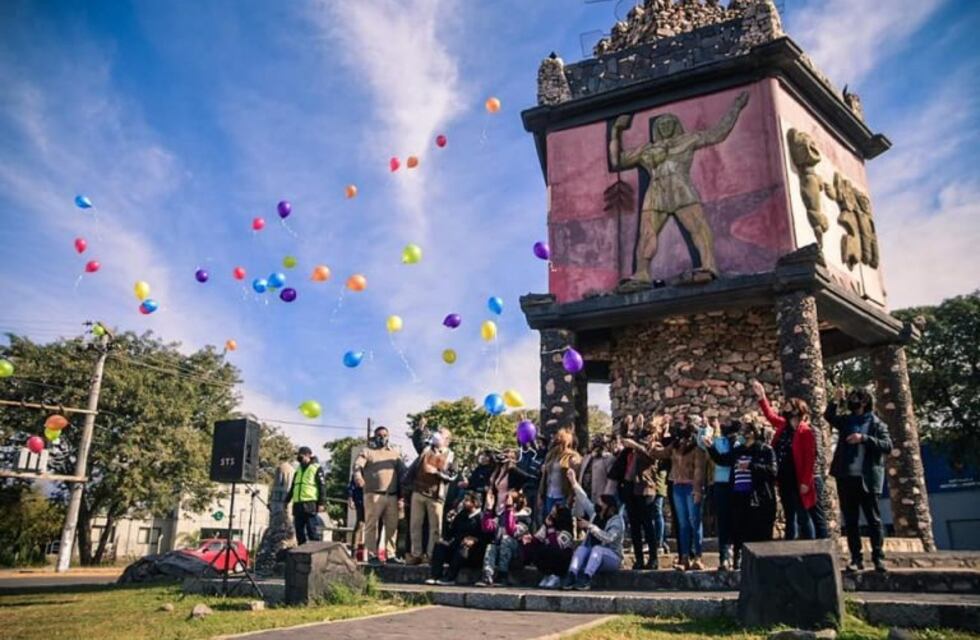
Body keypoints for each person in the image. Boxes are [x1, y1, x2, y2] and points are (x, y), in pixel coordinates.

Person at [827, 387, 892, 573]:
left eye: (856, 398)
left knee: (874, 520)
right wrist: (836, 399)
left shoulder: (877, 423)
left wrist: (863, 438)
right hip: (846, 477)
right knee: (851, 521)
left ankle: (878, 557)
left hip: (868, 478)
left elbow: (887, 445)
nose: (852, 401)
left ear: (865, 402)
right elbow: (829, 416)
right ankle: (856, 558)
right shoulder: (847, 421)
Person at [703, 417, 777, 564]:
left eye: (748, 431)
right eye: (744, 431)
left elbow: (772, 471)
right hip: (738, 495)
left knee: (757, 530)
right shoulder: (738, 450)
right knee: (739, 528)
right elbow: (723, 460)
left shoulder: (764, 450)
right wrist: (711, 447)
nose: (744, 434)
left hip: (757, 496)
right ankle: (738, 558)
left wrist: (750, 466)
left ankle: (761, 561)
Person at [752, 380, 818, 541]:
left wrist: (805, 482)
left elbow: (810, 458)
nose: (785, 408)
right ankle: (790, 547)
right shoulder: (783, 426)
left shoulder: (805, 432)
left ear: (797, 409)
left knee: (803, 514)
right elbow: (770, 416)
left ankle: (812, 547)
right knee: (789, 513)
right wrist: (762, 397)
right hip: (784, 477)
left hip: (798, 477)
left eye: (789, 405)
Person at [651, 418, 707, 571]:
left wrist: (697, 489)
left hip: (690, 486)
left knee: (695, 522)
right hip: (677, 486)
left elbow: (699, 470)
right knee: (682, 524)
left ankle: (698, 556)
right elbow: (660, 454)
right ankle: (684, 558)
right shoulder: (675, 446)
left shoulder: (697, 447)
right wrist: (653, 443)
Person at [617, 414, 665, 570]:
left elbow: (651, 457)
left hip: (645, 489)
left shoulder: (654, 446)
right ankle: (638, 559)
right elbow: (625, 436)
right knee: (635, 526)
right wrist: (627, 425)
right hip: (631, 487)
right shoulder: (632, 447)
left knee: (648, 524)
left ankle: (653, 558)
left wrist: (636, 446)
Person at [353, 425, 407, 565]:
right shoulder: (368, 451)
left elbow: (404, 473)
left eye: (384, 435)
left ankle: (390, 554)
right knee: (371, 525)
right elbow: (357, 466)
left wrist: (404, 495)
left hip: (392, 496)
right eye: (379, 435)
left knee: (392, 526)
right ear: (374, 436)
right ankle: (372, 555)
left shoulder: (394, 454)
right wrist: (358, 476)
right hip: (373, 494)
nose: (382, 438)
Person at [563, 469, 625, 591]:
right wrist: (573, 482)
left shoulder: (617, 521)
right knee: (581, 548)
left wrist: (590, 527)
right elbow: (584, 499)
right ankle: (572, 575)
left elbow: (609, 538)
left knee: (598, 549)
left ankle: (586, 578)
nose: (598, 505)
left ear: (609, 508)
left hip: (612, 558)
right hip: (592, 555)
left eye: (601, 504)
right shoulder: (595, 514)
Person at [407, 428, 457, 565]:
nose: (438, 435)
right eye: (438, 432)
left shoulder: (451, 455)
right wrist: (420, 429)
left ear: (448, 440)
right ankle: (416, 554)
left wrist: (436, 472)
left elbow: (453, 476)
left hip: (436, 495)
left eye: (442, 434)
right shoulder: (426, 449)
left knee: (435, 528)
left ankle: (431, 555)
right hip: (418, 491)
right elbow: (417, 441)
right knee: (415, 525)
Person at [697, 417, 737, 571]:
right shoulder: (718, 441)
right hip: (720, 484)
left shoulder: (739, 441)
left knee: (736, 521)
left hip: (737, 484)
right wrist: (704, 428)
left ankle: (737, 556)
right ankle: (724, 557)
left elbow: (729, 458)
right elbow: (703, 443)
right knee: (723, 522)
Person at [426, 491, 487, 586]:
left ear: (475, 503)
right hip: (456, 548)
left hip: (472, 553)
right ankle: (435, 575)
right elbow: (451, 534)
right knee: (440, 546)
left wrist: (474, 540)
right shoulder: (462, 515)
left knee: (463, 548)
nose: (464, 503)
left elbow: (485, 537)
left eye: (467, 501)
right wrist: (449, 522)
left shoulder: (482, 518)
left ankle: (450, 577)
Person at [477, 489, 531, 587]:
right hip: (500, 549)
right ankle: (488, 575)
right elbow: (487, 527)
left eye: (507, 499)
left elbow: (512, 531)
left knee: (506, 540)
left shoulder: (525, 518)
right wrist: (489, 509)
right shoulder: (503, 515)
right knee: (491, 546)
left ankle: (503, 575)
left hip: (517, 552)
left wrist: (510, 509)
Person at [521, 503, 575, 589]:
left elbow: (555, 546)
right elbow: (538, 538)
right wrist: (530, 539)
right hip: (549, 555)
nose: (551, 515)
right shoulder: (548, 525)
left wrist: (550, 529)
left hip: (561, 562)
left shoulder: (566, 532)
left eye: (554, 514)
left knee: (549, 550)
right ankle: (547, 574)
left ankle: (556, 577)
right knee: (533, 549)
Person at [284, 446, 328, 545]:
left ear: (308, 455)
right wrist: (286, 500)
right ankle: (302, 552)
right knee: (299, 532)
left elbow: (322, 486)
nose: (299, 457)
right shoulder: (298, 470)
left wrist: (322, 503)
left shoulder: (316, 468)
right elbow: (293, 487)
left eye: (301, 455)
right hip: (298, 504)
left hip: (310, 503)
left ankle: (314, 552)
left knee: (312, 530)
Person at [537, 428, 582, 518]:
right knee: (549, 522)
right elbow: (544, 477)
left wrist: (571, 497)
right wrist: (540, 494)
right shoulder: (550, 455)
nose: (557, 442)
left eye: (561, 440)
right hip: (549, 495)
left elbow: (575, 479)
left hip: (563, 496)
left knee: (560, 522)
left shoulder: (572, 456)